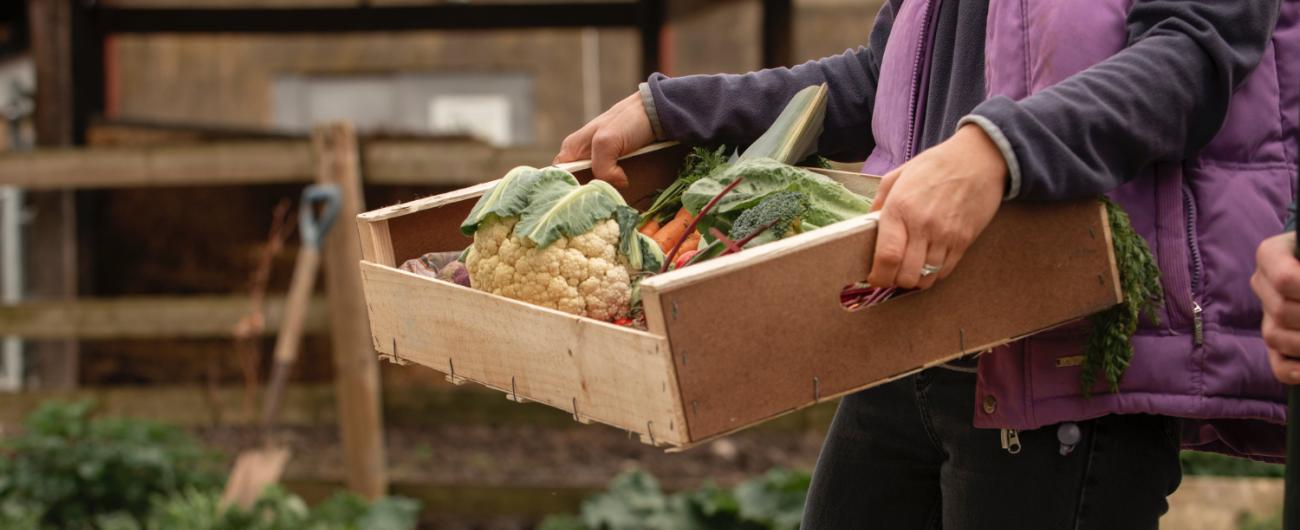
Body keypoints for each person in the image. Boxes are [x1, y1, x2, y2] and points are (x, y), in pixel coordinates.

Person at [557, 0, 1295, 527]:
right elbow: (878, 85)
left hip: (1064, 358)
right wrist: (670, 110)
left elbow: (1189, 59)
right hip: (910, 342)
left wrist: (995, 151)